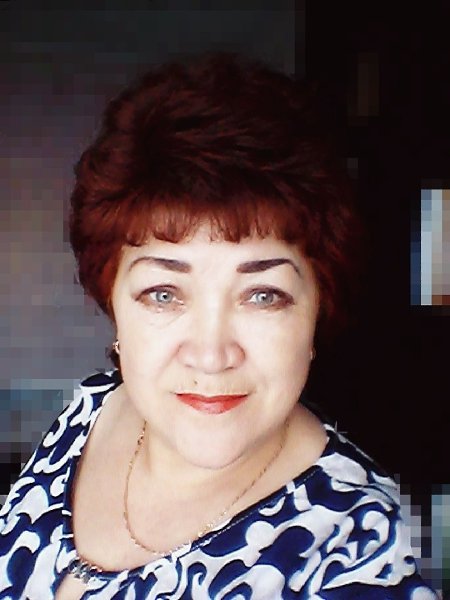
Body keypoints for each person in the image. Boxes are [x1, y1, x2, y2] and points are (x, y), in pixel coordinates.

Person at [0, 53, 438, 599]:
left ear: (316, 310)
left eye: (262, 296)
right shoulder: (89, 412)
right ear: (112, 301)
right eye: (164, 294)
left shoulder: (364, 553)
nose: (211, 355)